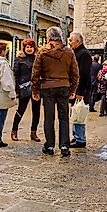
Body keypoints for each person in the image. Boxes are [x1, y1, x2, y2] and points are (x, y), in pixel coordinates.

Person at [31, 27, 78, 157]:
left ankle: (50, 145)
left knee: (49, 117)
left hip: (47, 87)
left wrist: (35, 90)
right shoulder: (69, 52)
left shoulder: (42, 52)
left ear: (48, 38)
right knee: (63, 117)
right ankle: (64, 145)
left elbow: (36, 72)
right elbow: (75, 72)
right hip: (64, 86)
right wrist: (73, 89)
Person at [11, 39, 40, 142]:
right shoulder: (19, 59)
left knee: (36, 111)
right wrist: (17, 89)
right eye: (27, 47)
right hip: (23, 88)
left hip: (36, 88)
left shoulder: (38, 59)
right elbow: (16, 75)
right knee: (21, 110)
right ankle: (14, 130)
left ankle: (34, 132)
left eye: (31, 47)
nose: (29, 49)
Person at [69, 32, 91, 149]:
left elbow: (84, 74)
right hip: (77, 89)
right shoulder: (77, 52)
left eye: (71, 40)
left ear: (78, 41)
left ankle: (80, 139)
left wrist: (80, 92)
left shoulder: (84, 54)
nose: (70, 42)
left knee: (79, 113)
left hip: (81, 91)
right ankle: (76, 136)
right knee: (75, 112)